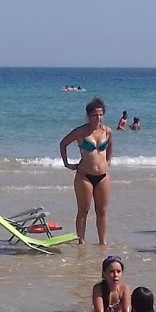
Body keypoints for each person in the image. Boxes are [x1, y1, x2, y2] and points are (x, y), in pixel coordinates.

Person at [58, 98, 113, 245]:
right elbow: (63, 144)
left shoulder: (107, 131)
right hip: (84, 176)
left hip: (103, 176)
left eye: (101, 115)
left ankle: (103, 242)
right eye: (95, 115)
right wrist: (67, 163)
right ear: (88, 116)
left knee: (102, 211)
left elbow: (110, 148)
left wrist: (108, 162)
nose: (98, 118)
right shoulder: (80, 132)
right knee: (83, 210)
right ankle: (81, 242)